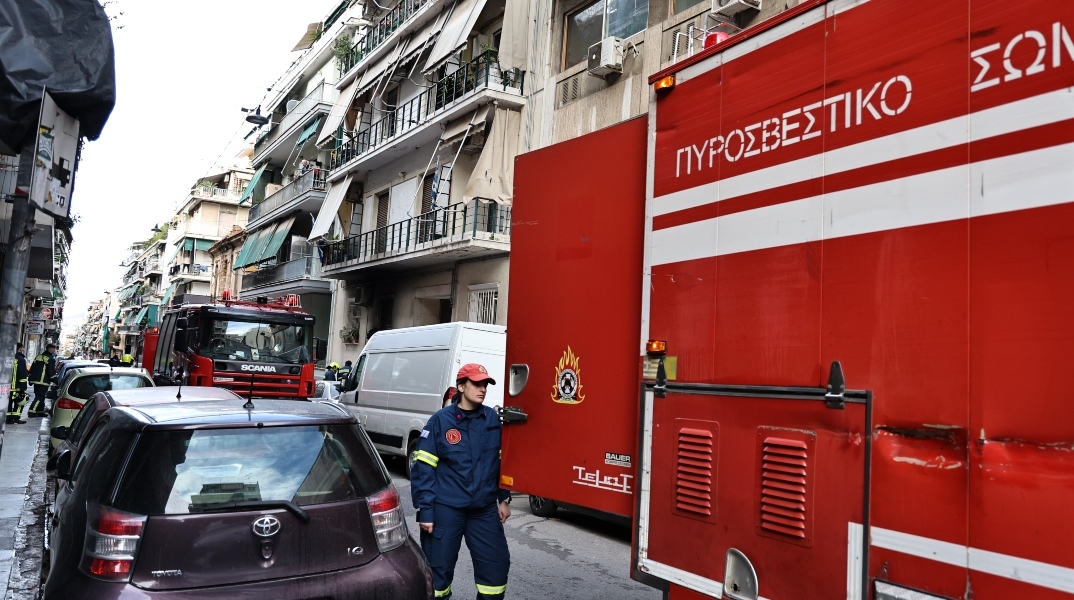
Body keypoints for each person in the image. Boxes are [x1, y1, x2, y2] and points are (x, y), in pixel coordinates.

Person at [411, 363, 511, 600]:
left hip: (484, 510)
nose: (482, 389)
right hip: (447, 509)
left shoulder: (492, 420)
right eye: (477, 383)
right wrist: (426, 510)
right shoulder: (441, 421)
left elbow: (502, 463)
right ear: (461, 386)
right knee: (438, 576)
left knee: (495, 572)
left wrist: (504, 497)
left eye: (485, 384)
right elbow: (423, 467)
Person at [27, 343, 57, 417]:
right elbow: (51, 371)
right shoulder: (50, 358)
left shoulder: (38, 357)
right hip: (43, 381)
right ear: (50, 349)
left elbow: (32, 368)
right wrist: (56, 380)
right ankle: (32, 411)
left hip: (35, 380)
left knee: (40, 396)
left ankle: (40, 411)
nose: (54, 350)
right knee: (40, 396)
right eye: (54, 349)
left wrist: (30, 378)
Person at [6, 343, 29, 424]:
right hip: (16, 386)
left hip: (6, 386)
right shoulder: (21, 359)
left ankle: (7, 418)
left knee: (7, 402)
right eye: (22, 348)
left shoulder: (6, 358)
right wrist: (23, 387)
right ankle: (16, 417)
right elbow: (22, 374)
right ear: (19, 348)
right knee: (21, 401)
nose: (23, 349)